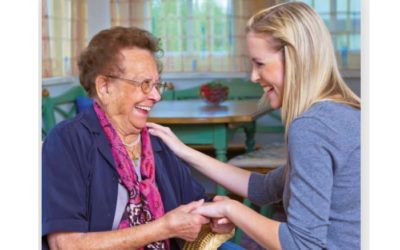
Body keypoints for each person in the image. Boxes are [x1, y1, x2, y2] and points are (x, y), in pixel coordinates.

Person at [147, 2, 360, 250]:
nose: (253, 76)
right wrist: (184, 150)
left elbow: (302, 245)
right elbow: (263, 188)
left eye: (260, 63)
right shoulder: (344, 112)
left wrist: (231, 208)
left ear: (295, 59)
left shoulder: (311, 127)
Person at [42, 26, 234, 250]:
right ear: (105, 87)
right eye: (144, 84)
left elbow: (194, 203)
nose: (156, 96)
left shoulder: (158, 141)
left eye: (156, 84)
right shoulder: (69, 141)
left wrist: (215, 216)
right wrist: (163, 228)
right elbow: (65, 245)